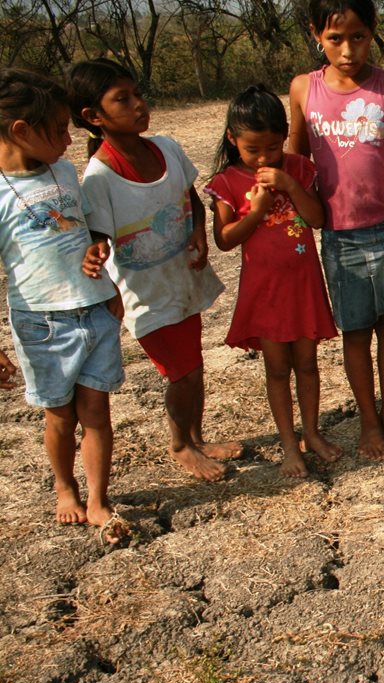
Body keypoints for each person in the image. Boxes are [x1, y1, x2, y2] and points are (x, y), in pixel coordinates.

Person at [67, 58, 239, 483]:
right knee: (182, 372)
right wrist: (102, 277)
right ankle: (181, 445)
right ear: (93, 117)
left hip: (183, 279)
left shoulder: (166, 147)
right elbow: (98, 241)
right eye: (122, 100)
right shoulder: (99, 179)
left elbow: (190, 198)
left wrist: (198, 232)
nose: (138, 105)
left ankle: (195, 436)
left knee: (194, 363)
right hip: (146, 295)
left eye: (137, 94)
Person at [288, 0, 384, 461]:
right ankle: (368, 421)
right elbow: (298, 156)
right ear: (315, 35)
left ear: (373, 31)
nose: (348, 50)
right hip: (339, 236)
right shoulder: (304, 89)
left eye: (358, 37)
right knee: (356, 331)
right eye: (335, 39)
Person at [0, 69, 128, 543]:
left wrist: (99, 252)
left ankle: (98, 497)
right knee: (60, 414)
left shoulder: (64, 172)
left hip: (94, 308)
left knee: (97, 411)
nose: (68, 139)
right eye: (57, 129)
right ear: (21, 131)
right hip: (41, 323)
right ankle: (65, 486)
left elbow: (84, 232)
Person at [205, 85, 342, 478]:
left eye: (272, 146)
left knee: (308, 365)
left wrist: (291, 186)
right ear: (233, 139)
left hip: (303, 285)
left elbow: (316, 219)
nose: (264, 157)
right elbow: (224, 240)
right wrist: (257, 210)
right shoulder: (227, 182)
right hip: (265, 293)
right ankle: (288, 443)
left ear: (285, 134)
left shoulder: (297, 168)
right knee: (278, 369)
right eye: (253, 149)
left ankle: (312, 433)